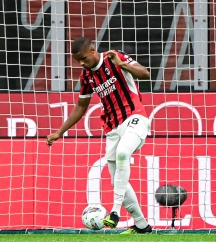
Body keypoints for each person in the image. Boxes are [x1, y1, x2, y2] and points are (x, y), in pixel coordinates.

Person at [46, 37, 152, 235]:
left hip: (135, 118)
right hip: (112, 128)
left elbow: (145, 74)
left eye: (84, 59)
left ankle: (114, 212)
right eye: (79, 61)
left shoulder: (114, 57)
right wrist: (60, 132)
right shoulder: (86, 76)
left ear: (93, 50)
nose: (82, 63)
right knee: (116, 180)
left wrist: (122, 65)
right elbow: (81, 106)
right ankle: (142, 226)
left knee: (122, 154)